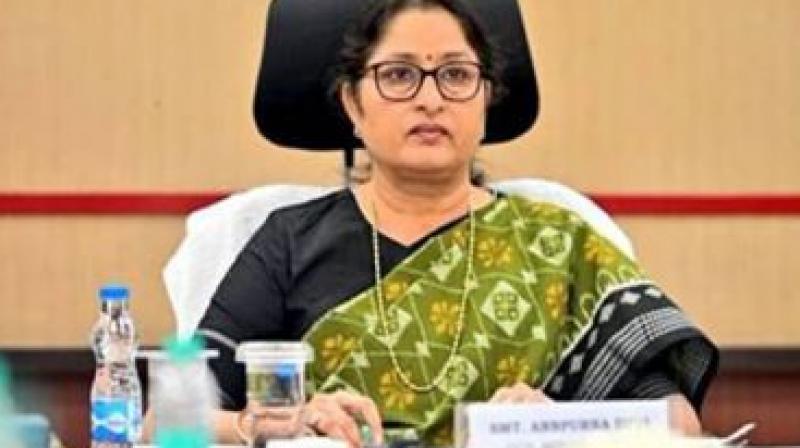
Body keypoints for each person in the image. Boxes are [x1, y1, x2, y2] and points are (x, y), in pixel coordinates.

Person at [172, 0, 718, 446]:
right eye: (398, 75)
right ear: (353, 105)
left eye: (456, 75)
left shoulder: (561, 241)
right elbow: (169, 422)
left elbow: (678, 422)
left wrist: (555, 423)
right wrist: (277, 424)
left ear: (485, 102)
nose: (430, 99)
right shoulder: (286, 239)